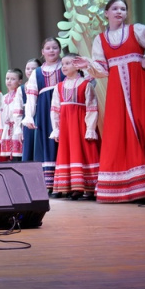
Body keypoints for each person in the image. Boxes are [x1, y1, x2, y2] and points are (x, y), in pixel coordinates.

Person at [86, 0, 145, 203]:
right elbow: (102, 69)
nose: (119, 12)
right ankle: (129, 187)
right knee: (120, 131)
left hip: (139, 85)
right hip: (117, 91)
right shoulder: (100, 39)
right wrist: (88, 65)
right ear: (106, 13)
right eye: (115, 8)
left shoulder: (135, 30)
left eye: (123, 9)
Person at [50, 54, 100, 199]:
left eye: (68, 63)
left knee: (85, 152)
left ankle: (89, 188)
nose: (64, 66)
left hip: (80, 124)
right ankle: (73, 187)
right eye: (63, 64)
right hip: (66, 126)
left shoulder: (86, 85)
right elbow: (55, 109)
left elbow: (92, 107)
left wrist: (90, 129)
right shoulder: (59, 87)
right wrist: (56, 129)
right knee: (69, 153)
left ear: (77, 66)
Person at [23, 39, 65, 190]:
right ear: (42, 52)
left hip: (64, 109)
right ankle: (49, 184)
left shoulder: (66, 67)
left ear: (60, 50)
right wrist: (29, 116)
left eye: (55, 47)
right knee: (47, 143)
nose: (51, 50)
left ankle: (66, 182)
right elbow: (31, 96)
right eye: (48, 48)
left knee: (65, 142)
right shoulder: (37, 73)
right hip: (44, 111)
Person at [0, 68, 25, 160]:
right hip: (7, 129)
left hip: (17, 128)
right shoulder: (4, 97)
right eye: (7, 78)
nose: (9, 81)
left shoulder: (21, 94)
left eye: (13, 79)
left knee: (18, 156)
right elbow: (1, 117)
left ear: (20, 81)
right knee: (10, 158)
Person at [20, 58, 40, 162]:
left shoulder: (41, 83)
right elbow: (18, 110)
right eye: (28, 68)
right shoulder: (21, 88)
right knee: (28, 145)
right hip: (27, 117)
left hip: (40, 115)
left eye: (34, 68)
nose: (30, 71)